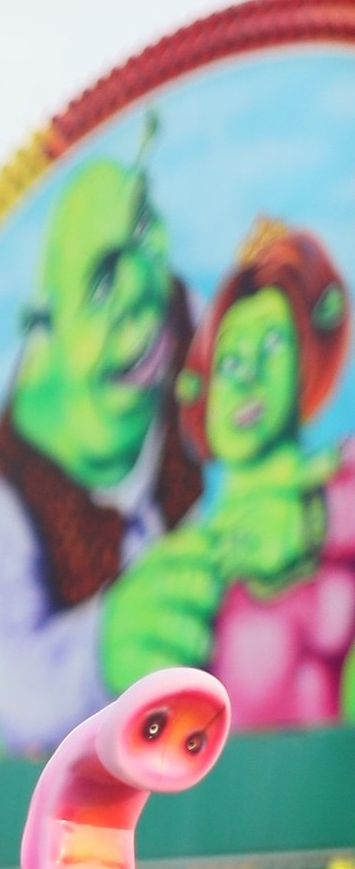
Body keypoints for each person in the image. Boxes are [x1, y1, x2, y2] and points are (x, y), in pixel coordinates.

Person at [0, 139, 209, 755]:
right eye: (100, 286)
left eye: (144, 234)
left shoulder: (189, 330)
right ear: (52, 337)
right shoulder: (4, 494)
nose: (139, 305)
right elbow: (12, 688)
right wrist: (101, 650)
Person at [172, 217, 355, 728]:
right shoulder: (190, 556)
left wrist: (312, 523)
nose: (248, 372)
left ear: (307, 357)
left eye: (272, 344)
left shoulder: (340, 479)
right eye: (229, 361)